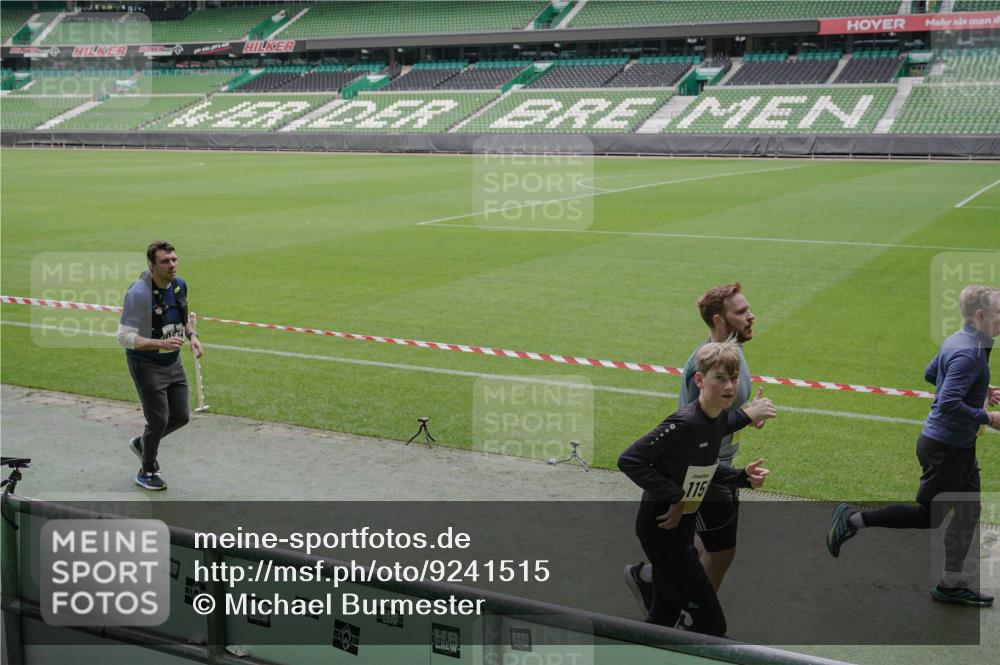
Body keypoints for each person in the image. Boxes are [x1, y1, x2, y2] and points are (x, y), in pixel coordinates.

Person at [827, 285, 1000, 607]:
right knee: (928, 517)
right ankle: (851, 519)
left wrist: (978, 388)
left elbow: (931, 373)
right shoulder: (970, 352)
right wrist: (987, 416)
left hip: (956, 446)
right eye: (999, 312)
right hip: (945, 448)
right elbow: (948, 402)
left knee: (968, 511)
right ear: (980, 315)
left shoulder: (962, 340)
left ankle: (950, 584)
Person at [618, 340, 776, 635]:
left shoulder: (716, 418)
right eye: (720, 378)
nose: (729, 386)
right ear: (700, 380)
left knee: (662, 620)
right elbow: (629, 459)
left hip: (681, 535)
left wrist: (743, 476)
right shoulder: (684, 423)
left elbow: (701, 466)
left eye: (733, 378)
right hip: (662, 534)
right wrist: (675, 496)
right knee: (712, 625)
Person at [624, 284, 758, 614]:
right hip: (705, 472)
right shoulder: (704, 365)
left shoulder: (728, 354)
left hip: (715, 467)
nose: (750, 315)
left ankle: (656, 584)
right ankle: (693, 615)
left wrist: (746, 416)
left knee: (697, 546)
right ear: (719, 319)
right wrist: (743, 417)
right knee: (720, 551)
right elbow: (696, 425)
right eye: (740, 312)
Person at [117, 241, 203, 491]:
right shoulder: (139, 294)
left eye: (174, 259)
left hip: (172, 362)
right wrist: (159, 342)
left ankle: (143, 444)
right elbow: (123, 338)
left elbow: (183, 317)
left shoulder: (179, 285)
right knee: (158, 420)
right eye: (165, 261)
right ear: (152, 265)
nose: (172, 265)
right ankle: (146, 470)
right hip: (146, 364)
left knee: (181, 416)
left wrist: (193, 337)